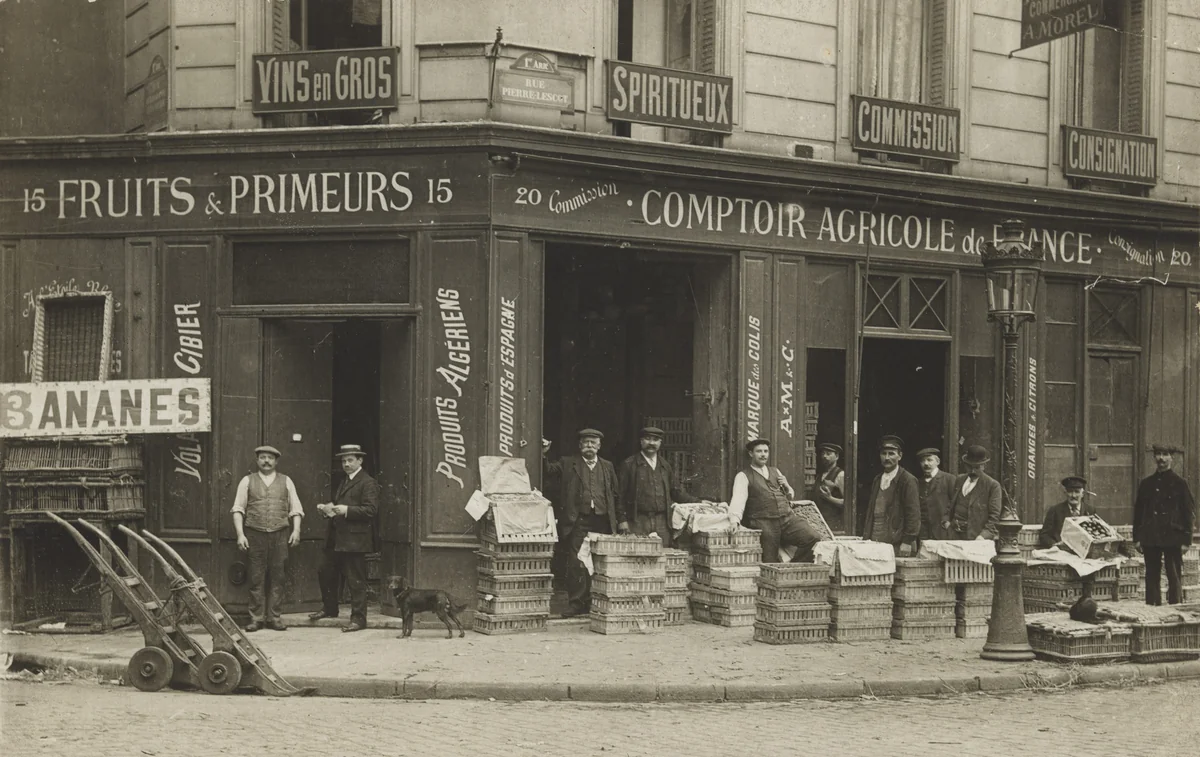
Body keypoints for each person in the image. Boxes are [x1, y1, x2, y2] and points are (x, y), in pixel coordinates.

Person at [543, 429, 620, 617]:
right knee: (577, 562)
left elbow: (615, 494)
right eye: (586, 442)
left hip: (602, 520)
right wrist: (543, 453)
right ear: (580, 445)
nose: (589, 446)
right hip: (578, 521)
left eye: (593, 442)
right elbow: (548, 471)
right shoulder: (568, 463)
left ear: (599, 446)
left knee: (601, 562)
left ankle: (597, 602)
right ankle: (577, 603)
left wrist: (620, 520)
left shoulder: (607, 466)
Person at [230, 445, 303, 632]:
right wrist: (240, 534)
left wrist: (296, 531)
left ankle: (274, 618)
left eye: (270, 458)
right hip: (255, 534)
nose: (266, 461)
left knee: (278, 577)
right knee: (256, 577)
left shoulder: (286, 481)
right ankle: (256, 618)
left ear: (276, 461)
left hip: (280, 534)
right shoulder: (247, 481)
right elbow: (238, 509)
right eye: (262, 457)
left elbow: (296, 509)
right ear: (257, 460)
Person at [310, 444, 379, 632]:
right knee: (325, 571)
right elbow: (341, 507)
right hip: (337, 538)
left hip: (355, 540)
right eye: (343, 461)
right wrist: (328, 510)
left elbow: (371, 510)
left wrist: (346, 510)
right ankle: (330, 609)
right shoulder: (345, 481)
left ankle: (359, 619)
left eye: (350, 460)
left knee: (355, 580)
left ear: (360, 460)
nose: (346, 464)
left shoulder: (368, 482)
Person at [728, 439, 821, 563]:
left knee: (812, 537)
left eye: (766, 451)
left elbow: (790, 496)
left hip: (787, 519)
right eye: (759, 451)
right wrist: (734, 521)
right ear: (751, 454)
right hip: (763, 521)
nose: (763, 454)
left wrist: (787, 485)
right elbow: (738, 499)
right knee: (769, 559)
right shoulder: (743, 476)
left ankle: (792, 567)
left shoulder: (775, 471)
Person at [1133, 444, 1196, 606]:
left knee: (1174, 575)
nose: (1161, 458)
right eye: (1158, 454)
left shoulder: (1180, 484)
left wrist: (1186, 540)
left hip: (1173, 536)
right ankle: (1153, 608)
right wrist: (1137, 538)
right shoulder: (1146, 484)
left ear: (1171, 458)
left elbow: (1188, 513)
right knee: (1151, 575)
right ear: (1154, 457)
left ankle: (1175, 607)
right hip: (1151, 535)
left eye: (1165, 454)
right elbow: (1138, 513)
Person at [617, 426, 698, 546]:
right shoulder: (629, 464)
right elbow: (619, 495)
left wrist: (698, 502)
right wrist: (622, 520)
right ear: (641, 441)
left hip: (662, 521)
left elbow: (676, 492)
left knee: (663, 552)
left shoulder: (665, 466)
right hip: (637, 521)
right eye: (647, 439)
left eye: (655, 440)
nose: (651, 443)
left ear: (660, 443)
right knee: (638, 553)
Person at [861, 435, 920, 556]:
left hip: (897, 542)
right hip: (875, 537)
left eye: (891, 454)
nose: (887, 458)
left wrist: (907, 541)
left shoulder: (907, 480)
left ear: (900, 456)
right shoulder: (877, 479)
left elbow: (913, 513)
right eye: (884, 453)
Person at [942, 445, 1003, 541]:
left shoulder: (992, 485)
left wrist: (983, 536)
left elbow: (994, 517)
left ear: (984, 466)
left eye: (977, 467)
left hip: (976, 538)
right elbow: (950, 504)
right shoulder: (959, 479)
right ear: (965, 465)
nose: (973, 471)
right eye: (969, 467)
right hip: (953, 535)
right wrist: (946, 522)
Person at [1039, 476, 1095, 549]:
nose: (1073, 495)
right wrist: (1055, 545)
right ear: (1065, 493)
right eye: (1070, 491)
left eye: (1077, 492)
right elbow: (1044, 535)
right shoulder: (1055, 510)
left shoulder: (1090, 510)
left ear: (1082, 494)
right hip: (1061, 552)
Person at [915, 448, 956, 541]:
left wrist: (948, 521)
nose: (926, 463)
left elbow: (956, 503)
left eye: (929, 460)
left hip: (943, 530)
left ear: (938, 462)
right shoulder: (918, 482)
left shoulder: (949, 479)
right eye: (922, 461)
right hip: (923, 533)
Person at [813, 442, 845, 532]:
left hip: (834, 524)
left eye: (828, 453)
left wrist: (829, 498)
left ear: (836, 456)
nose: (824, 456)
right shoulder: (819, 476)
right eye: (823, 453)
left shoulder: (840, 475)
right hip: (820, 523)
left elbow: (847, 504)